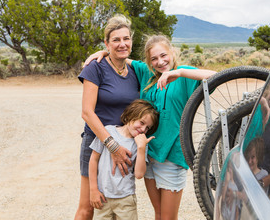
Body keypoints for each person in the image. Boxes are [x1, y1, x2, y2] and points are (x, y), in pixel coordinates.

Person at [85, 34, 216, 219]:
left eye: (164, 55)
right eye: (154, 59)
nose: (160, 62)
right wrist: (104, 52)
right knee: (158, 213)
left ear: (172, 52)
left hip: (172, 155)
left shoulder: (184, 74)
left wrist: (178, 73)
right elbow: (120, 56)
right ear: (148, 61)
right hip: (148, 155)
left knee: (168, 217)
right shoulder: (146, 73)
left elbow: (217, 76)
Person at [74, 14, 140, 220]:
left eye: (126, 38)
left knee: (118, 203)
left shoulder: (135, 70)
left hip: (124, 147)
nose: (122, 43)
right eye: (116, 40)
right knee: (89, 205)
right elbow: (87, 112)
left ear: (131, 41)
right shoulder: (95, 68)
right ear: (106, 43)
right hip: (97, 144)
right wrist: (111, 146)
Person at [89, 99, 159, 220]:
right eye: (141, 123)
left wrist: (141, 148)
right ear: (131, 115)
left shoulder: (141, 144)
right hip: (102, 197)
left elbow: (139, 174)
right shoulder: (108, 132)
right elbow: (93, 160)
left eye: (147, 128)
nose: (143, 129)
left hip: (126, 199)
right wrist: (93, 189)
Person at [243, 82, 270, 152]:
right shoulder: (258, 102)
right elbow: (250, 99)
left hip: (248, 154)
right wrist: (263, 102)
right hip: (240, 148)